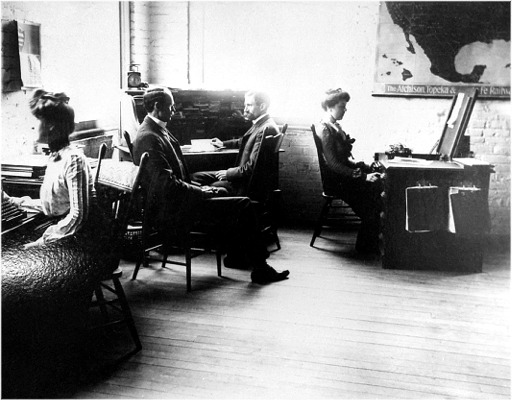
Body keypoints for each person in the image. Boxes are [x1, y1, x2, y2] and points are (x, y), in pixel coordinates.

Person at [131, 87, 289, 284]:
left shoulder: (155, 129)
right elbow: (167, 187)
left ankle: (238, 255)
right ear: (156, 106)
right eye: (171, 106)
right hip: (174, 210)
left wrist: (202, 189)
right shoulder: (149, 136)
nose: (174, 110)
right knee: (244, 204)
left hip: (178, 200)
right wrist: (202, 192)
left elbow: (171, 183)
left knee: (223, 191)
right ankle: (259, 268)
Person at [3, 89, 109, 251]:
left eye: (36, 121)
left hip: (83, 240)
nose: (32, 127)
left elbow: (78, 216)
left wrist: (44, 241)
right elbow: (52, 207)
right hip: (64, 229)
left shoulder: (74, 159)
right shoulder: (56, 157)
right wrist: (11, 201)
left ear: (51, 125)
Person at [315, 88, 383, 254]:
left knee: (378, 187)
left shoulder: (334, 126)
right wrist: (364, 177)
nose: (345, 109)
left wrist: (365, 168)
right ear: (330, 107)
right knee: (374, 196)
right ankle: (366, 246)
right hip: (337, 182)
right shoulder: (325, 129)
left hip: (342, 177)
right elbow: (333, 164)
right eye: (341, 106)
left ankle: (371, 239)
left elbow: (344, 159)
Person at [191, 90, 279, 196]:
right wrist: (223, 144)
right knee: (196, 177)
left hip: (243, 185)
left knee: (200, 183)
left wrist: (228, 174)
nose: (245, 109)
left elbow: (252, 168)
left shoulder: (265, 129)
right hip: (241, 177)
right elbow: (243, 141)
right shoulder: (263, 124)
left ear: (262, 106)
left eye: (249, 105)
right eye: (245, 105)